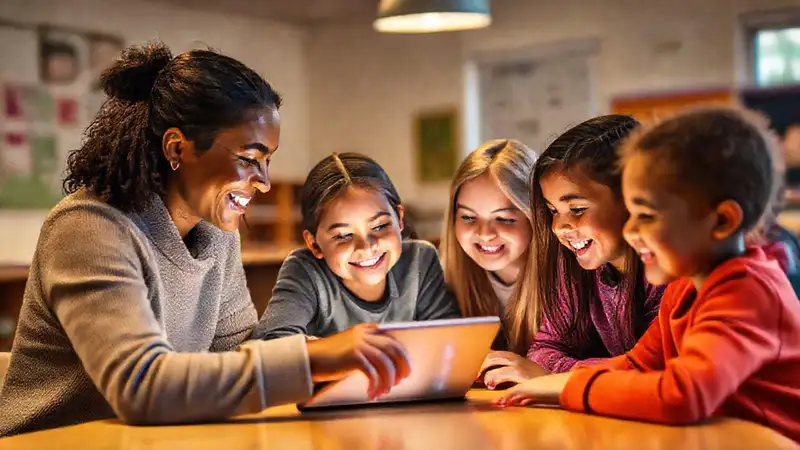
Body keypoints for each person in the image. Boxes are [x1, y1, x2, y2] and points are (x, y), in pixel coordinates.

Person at [0, 42, 409, 437]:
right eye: (249, 159)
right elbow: (140, 386)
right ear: (177, 147)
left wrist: (332, 359)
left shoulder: (217, 235)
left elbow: (238, 354)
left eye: (267, 161)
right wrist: (311, 359)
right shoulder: (88, 228)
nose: (264, 183)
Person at [498, 107, 800, 444]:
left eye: (646, 215)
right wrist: (547, 385)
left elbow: (681, 395)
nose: (630, 229)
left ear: (722, 221)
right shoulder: (684, 287)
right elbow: (637, 366)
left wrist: (575, 388)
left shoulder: (747, 293)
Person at [481, 115, 664, 388]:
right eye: (553, 210)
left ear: (632, 198)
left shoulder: (672, 270)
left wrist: (558, 376)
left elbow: (656, 371)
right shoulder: (577, 266)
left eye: (577, 209)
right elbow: (544, 350)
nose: (559, 227)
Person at [252, 153, 460, 340]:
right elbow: (271, 344)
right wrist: (346, 350)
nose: (366, 247)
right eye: (343, 236)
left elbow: (452, 336)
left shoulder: (420, 261)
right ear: (314, 244)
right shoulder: (306, 272)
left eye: (380, 226)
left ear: (400, 219)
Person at [439, 139, 538, 355]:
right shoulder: (444, 284)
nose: (484, 234)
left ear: (535, 216)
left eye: (504, 219)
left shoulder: (568, 282)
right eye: (468, 217)